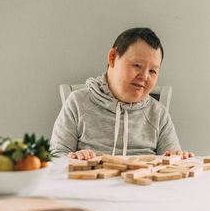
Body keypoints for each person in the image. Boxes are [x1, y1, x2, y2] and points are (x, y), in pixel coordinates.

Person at [50, 27, 194, 160]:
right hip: (93, 184)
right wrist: (74, 158)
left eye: (152, 71)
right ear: (113, 58)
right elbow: (56, 156)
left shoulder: (158, 114)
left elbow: (171, 162)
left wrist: (177, 158)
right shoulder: (78, 102)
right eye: (137, 65)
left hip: (142, 185)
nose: (144, 77)